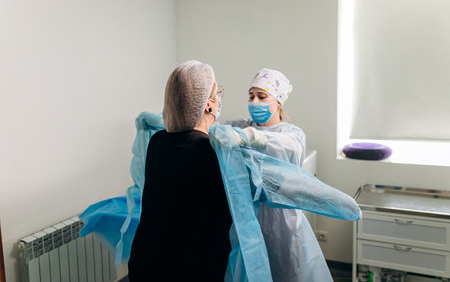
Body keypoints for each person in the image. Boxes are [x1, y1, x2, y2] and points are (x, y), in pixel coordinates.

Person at [128, 60, 231, 281]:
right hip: (193, 267)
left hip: (147, 260)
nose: (219, 98)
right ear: (208, 105)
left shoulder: (157, 142)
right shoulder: (213, 151)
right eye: (217, 92)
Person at [227, 68, 333, 282]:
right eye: (251, 96)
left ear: (278, 101)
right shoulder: (242, 126)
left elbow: (290, 149)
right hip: (248, 215)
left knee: (285, 270)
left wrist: (258, 138)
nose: (255, 101)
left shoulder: (291, 134)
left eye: (262, 96)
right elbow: (212, 128)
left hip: (281, 220)